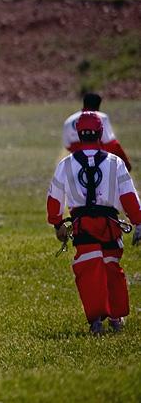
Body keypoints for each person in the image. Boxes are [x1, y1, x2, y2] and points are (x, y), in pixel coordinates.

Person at [47, 111, 141, 334]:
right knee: (111, 268)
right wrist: (138, 221)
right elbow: (129, 196)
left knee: (89, 269)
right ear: (100, 132)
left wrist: (57, 223)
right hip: (110, 226)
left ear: (78, 133)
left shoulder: (66, 164)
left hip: (83, 226)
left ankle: (96, 320)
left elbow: (54, 198)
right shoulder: (115, 163)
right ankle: (116, 318)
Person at [63, 93, 131, 171]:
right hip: (100, 163)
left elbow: (67, 145)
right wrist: (125, 162)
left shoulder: (69, 120)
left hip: (76, 164)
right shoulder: (102, 117)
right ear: (98, 105)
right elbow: (112, 144)